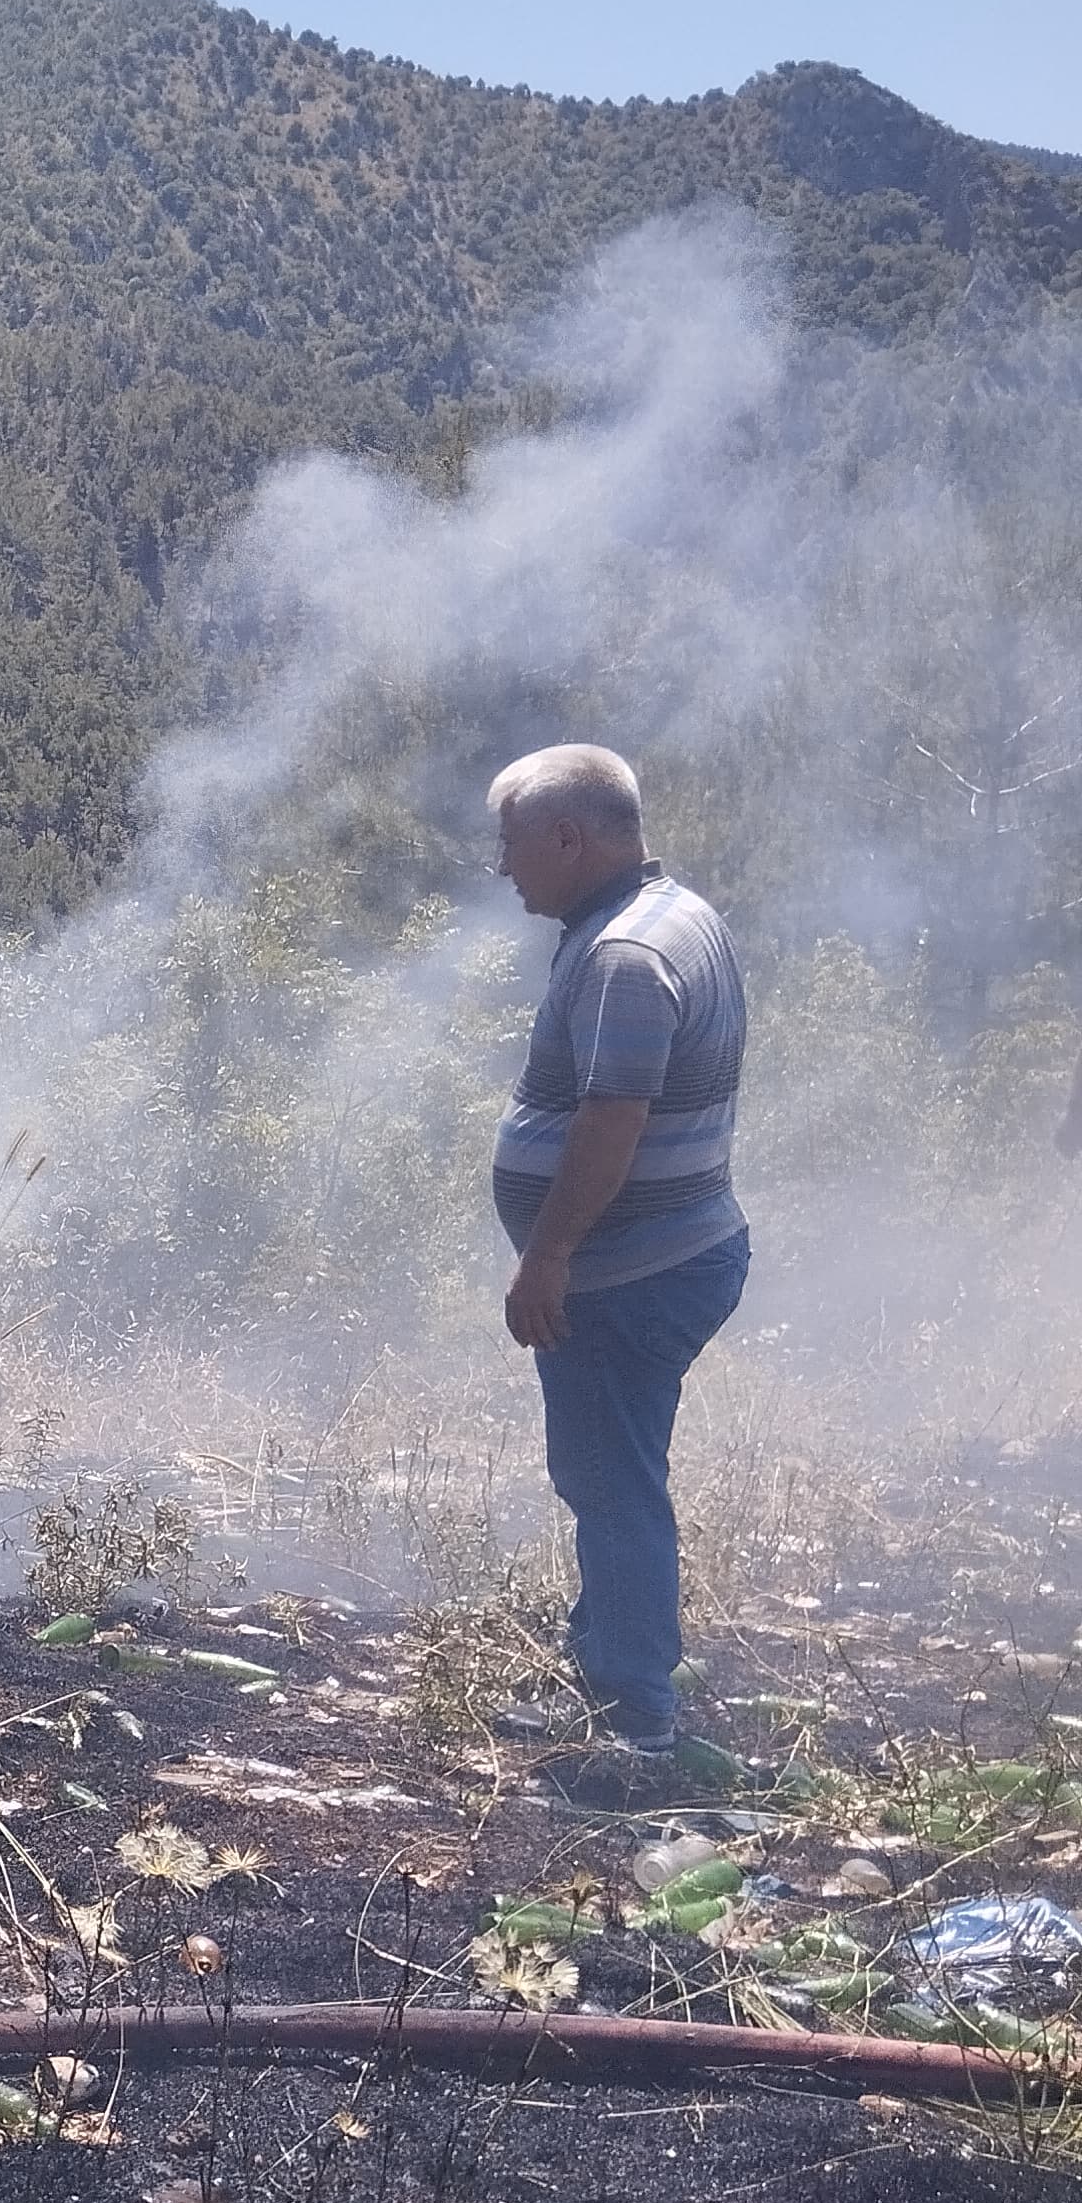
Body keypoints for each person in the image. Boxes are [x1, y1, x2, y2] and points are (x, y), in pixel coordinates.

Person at [483, 746, 753, 1806]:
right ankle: (608, 1673)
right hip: (665, 1253)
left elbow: (612, 1122)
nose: (502, 870)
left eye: (509, 845)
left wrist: (548, 1255)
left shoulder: (626, 955)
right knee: (605, 1472)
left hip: (632, 1270)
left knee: (613, 1483)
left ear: (569, 839)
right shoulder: (668, 914)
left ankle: (635, 1718)